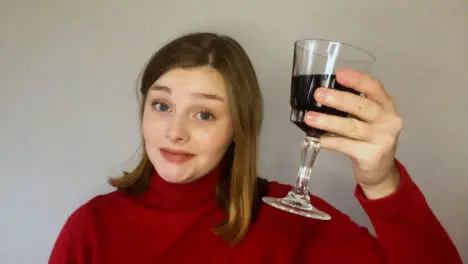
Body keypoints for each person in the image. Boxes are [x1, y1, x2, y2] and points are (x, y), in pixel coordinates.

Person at [48, 32, 462, 264]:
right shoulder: (91, 227)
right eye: (162, 105)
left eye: (205, 114)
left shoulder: (293, 221)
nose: (174, 132)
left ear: (238, 128)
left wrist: (383, 184)